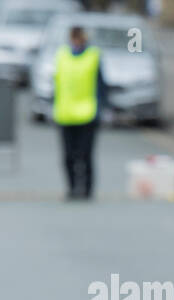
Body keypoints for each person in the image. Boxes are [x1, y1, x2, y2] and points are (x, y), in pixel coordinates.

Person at [53, 26, 109, 200]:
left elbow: (101, 85)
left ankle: (86, 190)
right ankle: (72, 188)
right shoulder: (62, 55)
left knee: (86, 155)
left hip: (87, 115)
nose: (76, 41)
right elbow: (57, 83)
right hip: (65, 114)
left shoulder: (93, 56)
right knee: (68, 157)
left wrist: (102, 109)